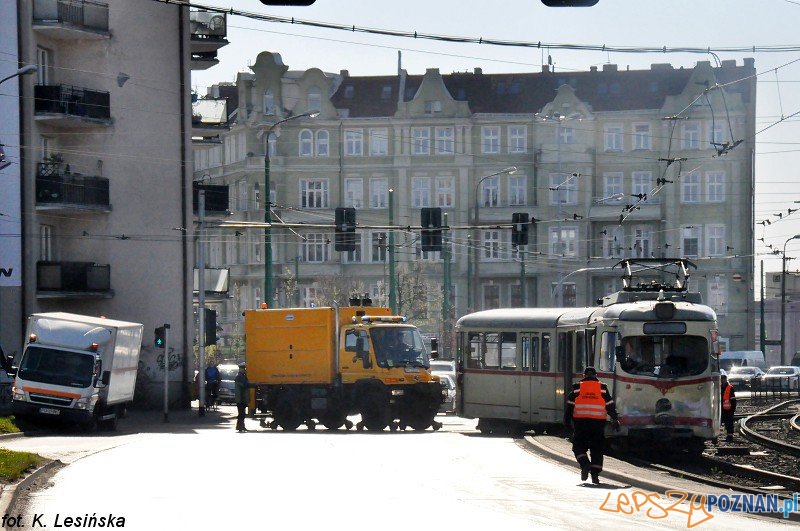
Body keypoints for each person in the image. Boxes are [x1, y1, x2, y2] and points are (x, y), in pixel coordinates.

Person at [564, 366, 620, 484]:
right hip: (598, 425)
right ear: (595, 376)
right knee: (597, 449)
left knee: (578, 447)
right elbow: (610, 405)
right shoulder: (602, 388)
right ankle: (595, 476)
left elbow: (569, 407)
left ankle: (584, 464)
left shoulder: (577, 388)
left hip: (580, 424)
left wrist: (567, 422)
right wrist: (615, 419)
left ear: (584, 375)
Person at [721, 374, 737, 441]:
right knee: (725, 422)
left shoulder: (730, 387)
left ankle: (730, 436)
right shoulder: (720, 387)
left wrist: (733, 409)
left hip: (729, 409)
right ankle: (727, 435)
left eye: (722, 379)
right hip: (722, 408)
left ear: (725, 379)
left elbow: (733, 399)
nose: (721, 380)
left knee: (729, 422)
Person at [234, 362, 250, 432]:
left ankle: (240, 426)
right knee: (241, 414)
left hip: (241, 398)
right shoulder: (240, 377)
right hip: (241, 398)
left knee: (241, 413)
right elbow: (244, 385)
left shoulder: (240, 376)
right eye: (244, 369)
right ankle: (240, 427)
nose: (244, 370)